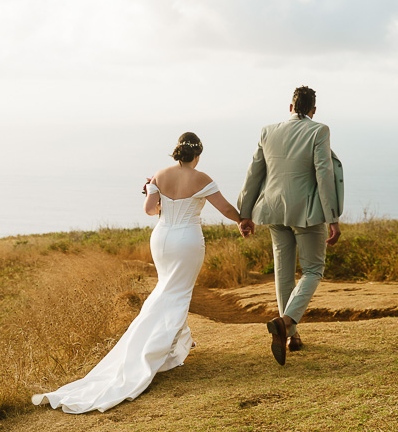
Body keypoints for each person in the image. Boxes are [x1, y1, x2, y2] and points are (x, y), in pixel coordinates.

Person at [32, 132, 246, 414]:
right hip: (187, 240)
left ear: (177, 152)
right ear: (197, 155)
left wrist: (158, 197)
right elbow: (225, 208)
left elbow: (149, 210)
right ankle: (156, 349)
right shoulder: (202, 178)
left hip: (162, 238)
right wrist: (242, 220)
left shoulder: (160, 175)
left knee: (167, 289)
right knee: (178, 293)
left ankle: (177, 344)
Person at [237, 86, 343, 366]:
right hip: (307, 213)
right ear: (314, 110)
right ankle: (286, 323)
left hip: (272, 210)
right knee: (313, 269)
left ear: (290, 107)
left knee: (283, 273)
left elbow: (254, 173)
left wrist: (245, 214)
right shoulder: (319, 131)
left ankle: (291, 336)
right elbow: (324, 174)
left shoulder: (268, 131)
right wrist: (332, 217)